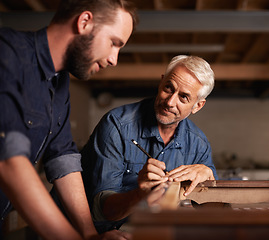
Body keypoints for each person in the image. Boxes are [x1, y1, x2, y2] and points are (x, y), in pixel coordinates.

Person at [0, 0, 137, 239]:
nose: (115, 59)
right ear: (84, 22)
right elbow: (8, 161)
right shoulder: (7, 52)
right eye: (114, 43)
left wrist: (90, 235)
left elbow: (62, 158)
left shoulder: (59, 82)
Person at [80, 55, 218, 231]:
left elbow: (212, 212)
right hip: (87, 231)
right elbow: (103, 210)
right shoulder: (117, 125)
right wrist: (141, 193)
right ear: (161, 82)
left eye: (183, 97)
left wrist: (209, 176)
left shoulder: (198, 143)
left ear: (197, 106)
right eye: (168, 88)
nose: (170, 102)